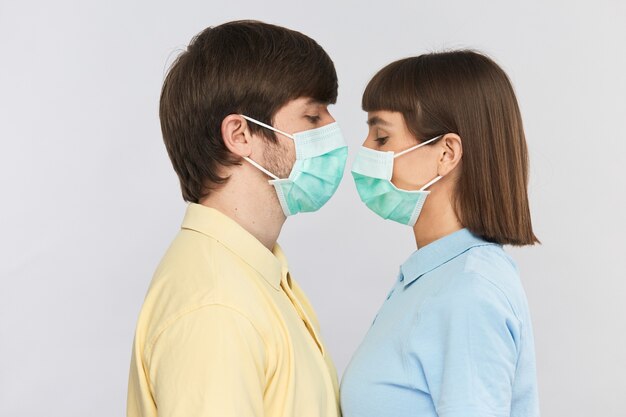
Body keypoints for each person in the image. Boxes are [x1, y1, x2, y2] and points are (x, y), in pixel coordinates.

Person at [127, 20, 347, 417]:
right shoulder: (217, 305)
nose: (334, 130)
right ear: (240, 135)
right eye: (313, 117)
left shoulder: (257, 272)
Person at [341, 50, 540, 417]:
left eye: (381, 137)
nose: (365, 150)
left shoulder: (469, 292)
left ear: (447, 153)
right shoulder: (432, 278)